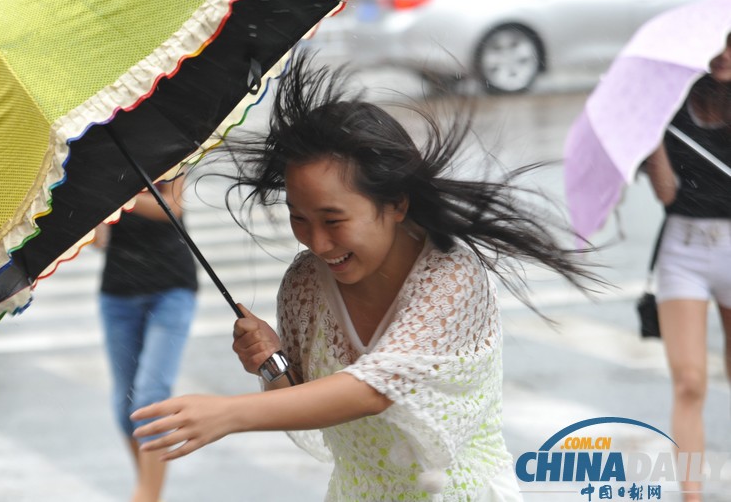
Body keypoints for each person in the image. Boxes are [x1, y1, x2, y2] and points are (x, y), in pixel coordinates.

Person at [130, 56, 598, 501]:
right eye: (299, 217)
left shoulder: (452, 276)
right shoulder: (303, 284)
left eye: (333, 220)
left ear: (395, 202)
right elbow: (306, 409)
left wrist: (228, 413)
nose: (316, 242)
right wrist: (272, 363)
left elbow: (372, 390)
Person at [644, 34, 731, 502]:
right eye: (715, 45)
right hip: (684, 249)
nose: (722, 54)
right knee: (690, 381)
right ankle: (691, 495)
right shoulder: (672, 106)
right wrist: (652, 138)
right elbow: (666, 194)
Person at [94, 177, 198, 502]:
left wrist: (117, 196)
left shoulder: (166, 146)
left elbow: (173, 207)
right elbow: (99, 240)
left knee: (151, 397)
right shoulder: (98, 161)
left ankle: (147, 495)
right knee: (125, 406)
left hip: (171, 288)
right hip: (118, 292)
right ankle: (148, 489)